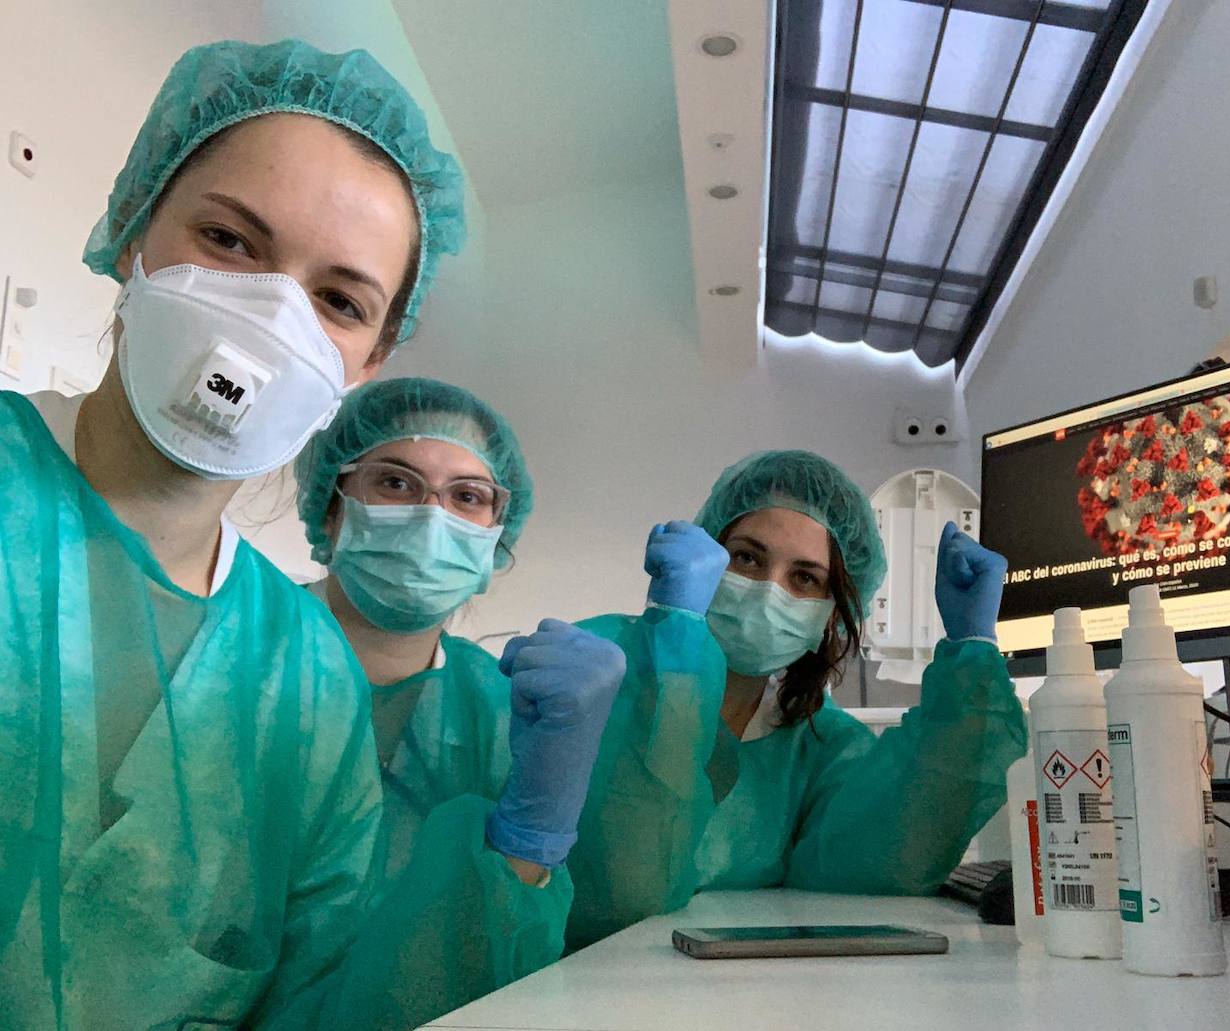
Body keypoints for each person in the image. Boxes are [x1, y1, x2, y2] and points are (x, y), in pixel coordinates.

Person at [0, 39, 470, 1029]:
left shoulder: (306, 682)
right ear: (136, 224)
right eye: (230, 241)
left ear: (369, 358)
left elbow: (308, 989)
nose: (270, 315)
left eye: (339, 300)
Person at [569, 450, 1027, 948]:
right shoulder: (598, 669)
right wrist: (674, 633)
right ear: (709, 554)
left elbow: (886, 854)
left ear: (831, 612)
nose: (769, 591)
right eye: (747, 558)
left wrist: (972, 652)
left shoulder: (816, 743)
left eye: (804, 578)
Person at [283, 377, 624, 1028]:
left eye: (467, 496)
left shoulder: (501, 714)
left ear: (496, 539)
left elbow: (503, 978)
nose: (431, 515)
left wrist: (534, 835)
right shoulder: (235, 656)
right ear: (331, 506)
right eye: (395, 482)